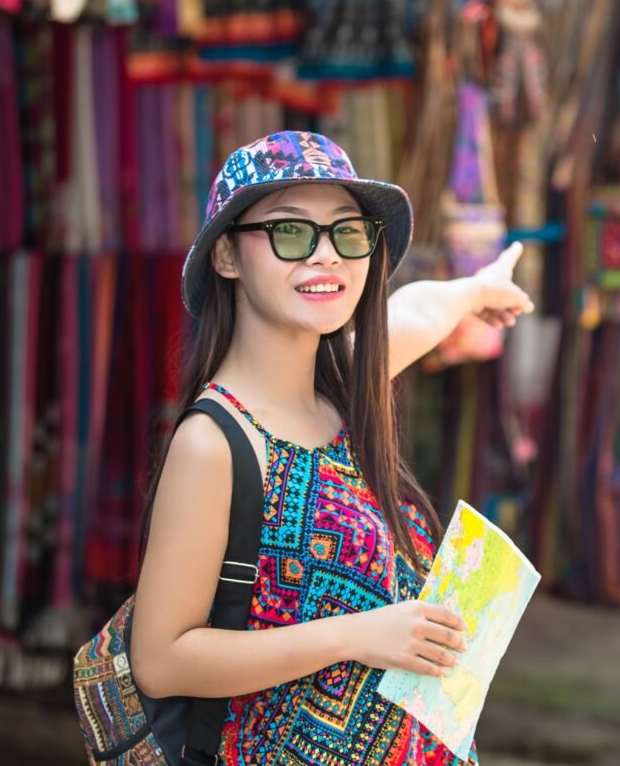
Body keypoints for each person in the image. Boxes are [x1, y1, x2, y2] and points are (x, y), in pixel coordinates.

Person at [130, 131, 534, 766]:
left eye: (348, 234)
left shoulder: (344, 389)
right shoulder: (216, 442)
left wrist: (477, 290)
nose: (327, 258)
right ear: (229, 257)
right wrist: (357, 637)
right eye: (292, 233)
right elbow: (161, 659)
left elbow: (418, 313)